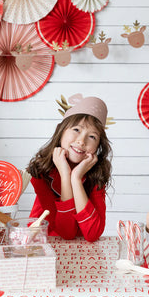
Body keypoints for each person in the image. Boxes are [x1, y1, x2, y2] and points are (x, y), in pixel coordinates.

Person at [27, 94, 113, 242]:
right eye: (76, 130)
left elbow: (93, 234)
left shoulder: (96, 175)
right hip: (42, 243)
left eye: (92, 136)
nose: (81, 141)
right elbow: (66, 233)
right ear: (60, 132)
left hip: (81, 250)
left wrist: (76, 179)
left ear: (98, 146)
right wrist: (65, 176)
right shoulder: (40, 172)